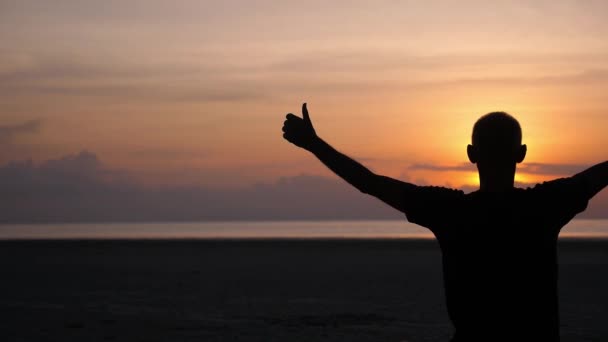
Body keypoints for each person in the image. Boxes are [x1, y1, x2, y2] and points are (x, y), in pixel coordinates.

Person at [281, 103, 607, 341]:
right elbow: (600, 174)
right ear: (521, 153)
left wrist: (314, 144)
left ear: (471, 153)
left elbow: (369, 182)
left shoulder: (451, 211)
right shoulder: (544, 205)